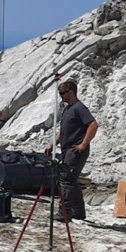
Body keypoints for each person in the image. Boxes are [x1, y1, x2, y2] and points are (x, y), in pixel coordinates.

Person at [44, 79, 98, 221]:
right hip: (67, 150)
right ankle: (78, 212)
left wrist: (83, 144)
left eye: (62, 93)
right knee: (71, 181)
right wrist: (52, 144)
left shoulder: (79, 108)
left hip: (76, 151)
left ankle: (65, 213)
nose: (60, 95)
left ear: (71, 92)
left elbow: (93, 125)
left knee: (66, 180)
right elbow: (62, 132)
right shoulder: (67, 109)